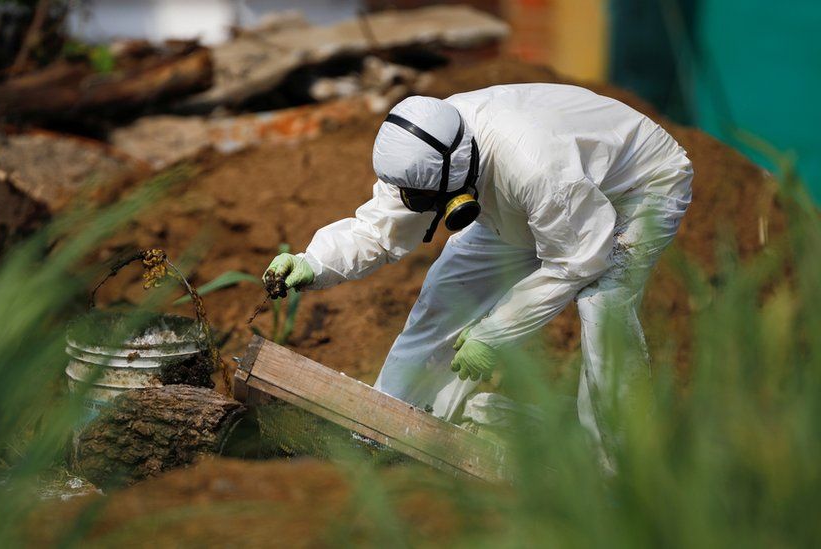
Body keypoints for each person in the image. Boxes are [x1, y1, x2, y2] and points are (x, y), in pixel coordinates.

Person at [262, 84, 692, 447]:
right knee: (445, 293)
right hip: (534, 201)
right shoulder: (426, 147)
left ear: (457, 179)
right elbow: (379, 229)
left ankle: (619, 469)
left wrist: (495, 332)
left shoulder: (537, 169)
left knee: (603, 304)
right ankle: (387, 426)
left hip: (637, 185)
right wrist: (314, 262)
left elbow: (578, 260)